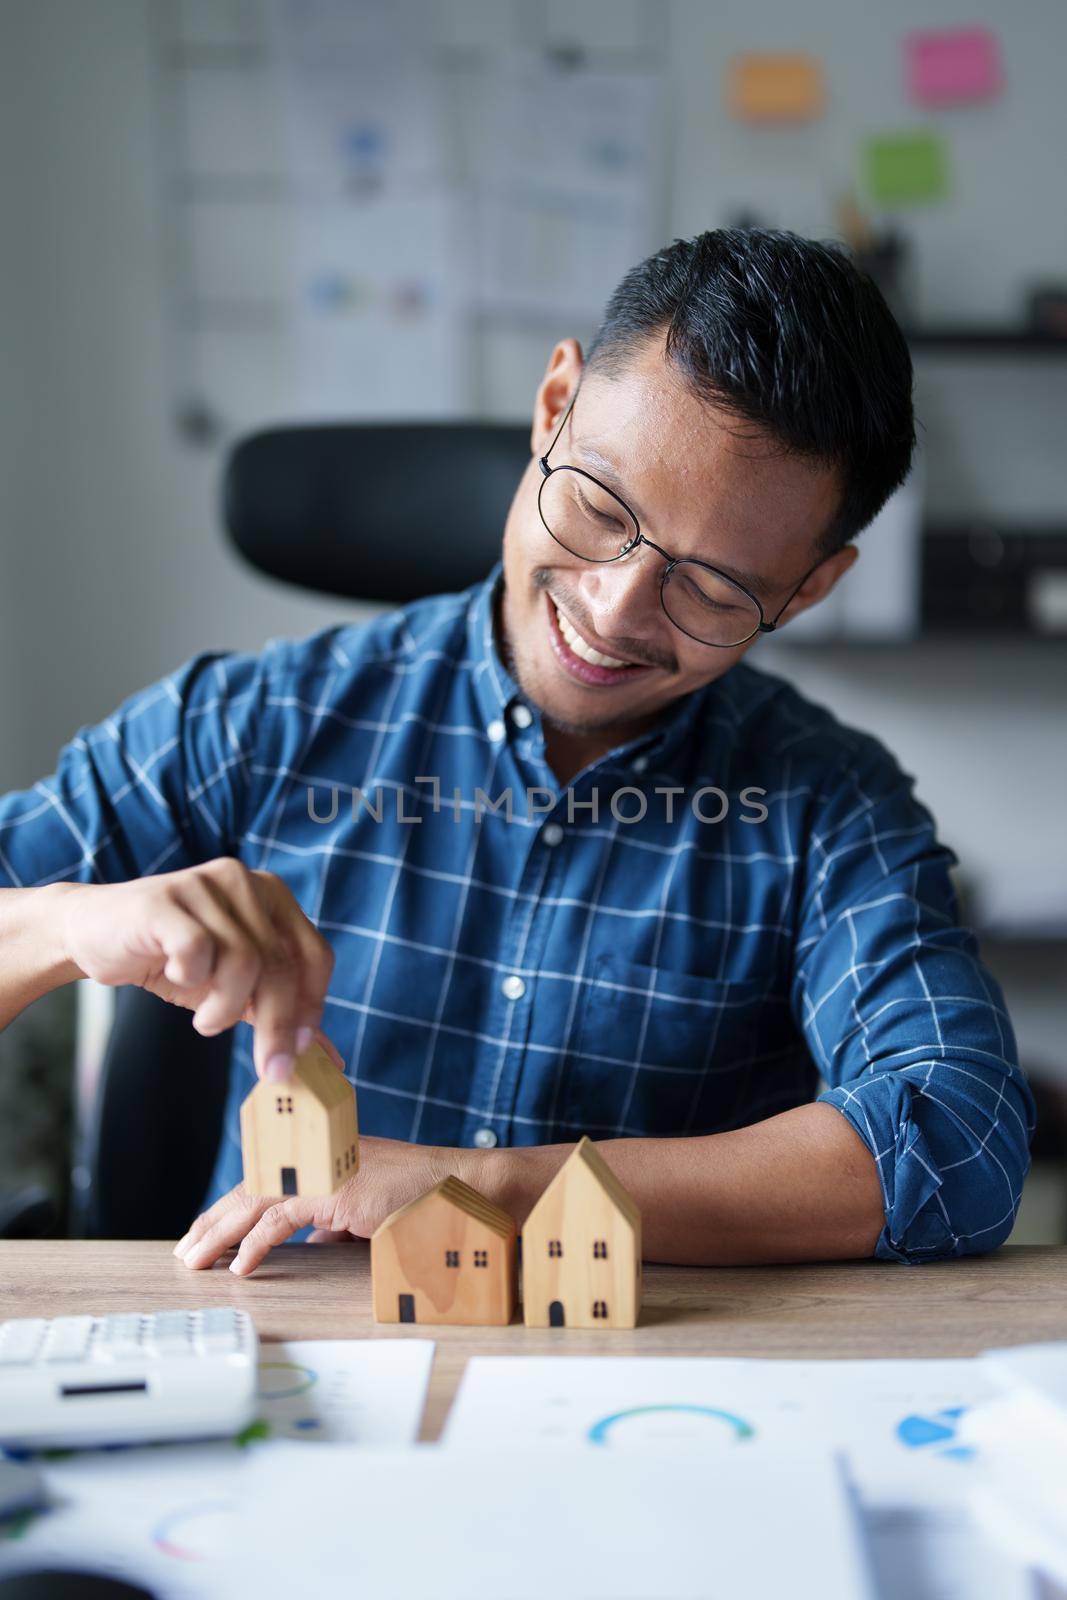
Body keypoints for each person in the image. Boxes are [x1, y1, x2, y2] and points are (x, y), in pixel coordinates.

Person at [0, 230, 1033, 1275]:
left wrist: (488, 1185)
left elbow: (956, 1144)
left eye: (712, 586)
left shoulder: (829, 804)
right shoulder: (251, 720)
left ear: (805, 587)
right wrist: (63, 922)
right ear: (553, 408)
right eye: (595, 507)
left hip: (633, 1384)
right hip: (283, 1366)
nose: (613, 607)